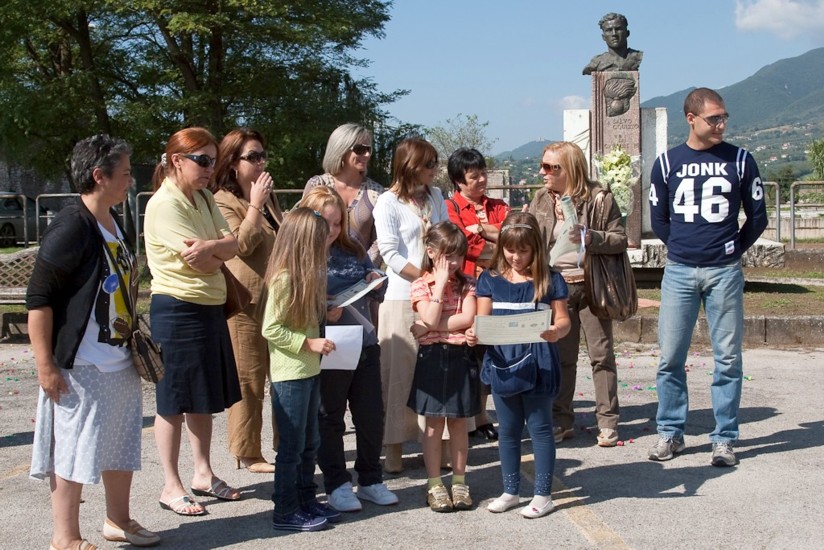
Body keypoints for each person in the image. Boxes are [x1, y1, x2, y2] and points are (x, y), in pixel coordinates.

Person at [28, 135, 160, 549]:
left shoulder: (112, 220)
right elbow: (39, 300)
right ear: (99, 176)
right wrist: (45, 364)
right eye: (124, 174)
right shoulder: (71, 227)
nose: (130, 182)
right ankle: (65, 537)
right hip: (81, 364)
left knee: (120, 444)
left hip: (118, 357)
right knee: (73, 450)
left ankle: (118, 520)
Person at [648, 87, 768, 466]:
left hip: (725, 272)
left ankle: (724, 439)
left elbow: (758, 216)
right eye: (713, 118)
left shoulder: (741, 159)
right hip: (680, 271)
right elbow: (659, 220)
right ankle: (670, 432)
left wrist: (730, 248)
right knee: (670, 357)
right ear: (691, 119)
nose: (721, 124)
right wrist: (685, 249)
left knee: (728, 359)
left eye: (723, 117)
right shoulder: (667, 164)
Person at [144, 127, 242, 516]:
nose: (209, 168)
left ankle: (203, 473)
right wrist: (219, 251)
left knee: (202, 396)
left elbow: (232, 244)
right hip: (177, 309)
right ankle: (171, 485)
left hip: (208, 307)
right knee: (173, 401)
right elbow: (198, 261)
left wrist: (215, 249)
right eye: (201, 160)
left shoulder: (202, 196)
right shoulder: (164, 204)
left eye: (213, 160)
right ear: (176, 160)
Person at [299, 187, 398, 513]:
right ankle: (337, 484)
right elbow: (288, 305)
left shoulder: (353, 248)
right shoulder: (300, 256)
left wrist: (375, 279)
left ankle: (370, 479)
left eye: (338, 223)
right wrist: (320, 311)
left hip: (364, 342)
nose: (332, 230)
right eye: (325, 223)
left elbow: (373, 284)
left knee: (371, 416)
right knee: (330, 418)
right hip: (328, 347)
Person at [466, 212, 570, 519]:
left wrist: (556, 331)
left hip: (539, 362)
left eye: (523, 250)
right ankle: (510, 490)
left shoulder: (550, 279)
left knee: (539, 429)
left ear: (536, 248)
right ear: (502, 247)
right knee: (508, 430)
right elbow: (482, 322)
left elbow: (563, 319)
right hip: (502, 362)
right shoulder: (490, 279)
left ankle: (543, 494)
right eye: (510, 250)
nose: (516, 256)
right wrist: (474, 334)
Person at [529, 141, 627, 448]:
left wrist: (592, 236)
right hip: (557, 286)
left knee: (601, 355)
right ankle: (562, 420)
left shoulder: (600, 199)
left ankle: (608, 421)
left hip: (593, 284)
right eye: (542, 165)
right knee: (562, 357)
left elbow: (620, 239)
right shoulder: (540, 199)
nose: (542, 172)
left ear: (569, 169)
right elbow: (530, 236)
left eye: (550, 167)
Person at [262, 207, 342, 532]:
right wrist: (308, 344)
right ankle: (285, 508)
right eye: (321, 240)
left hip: (308, 371)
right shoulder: (284, 279)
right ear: (305, 243)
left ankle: (306, 499)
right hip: (290, 374)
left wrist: (325, 312)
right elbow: (271, 328)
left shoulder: (307, 278)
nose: (326, 245)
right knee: (292, 447)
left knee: (311, 442)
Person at [373, 137, 449, 473]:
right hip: (402, 296)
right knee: (398, 376)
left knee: (436, 373)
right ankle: (393, 450)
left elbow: (447, 236)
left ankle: (438, 447)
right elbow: (390, 254)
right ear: (410, 166)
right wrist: (424, 278)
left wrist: (439, 281)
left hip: (436, 296)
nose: (435, 170)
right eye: (429, 164)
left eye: (435, 163)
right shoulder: (387, 202)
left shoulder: (436, 196)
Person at [211, 128, 284, 474]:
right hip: (246, 301)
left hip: (277, 299)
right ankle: (247, 451)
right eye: (252, 157)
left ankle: (286, 443)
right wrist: (254, 205)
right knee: (249, 378)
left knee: (283, 376)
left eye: (262, 155)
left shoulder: (269, 198)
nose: (260, 163)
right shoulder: (223, 201)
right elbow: (241, 245)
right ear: (232, 162)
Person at [408, 221, 479, 512]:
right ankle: (435, 483)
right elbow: (429, 312)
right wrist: (437, 286)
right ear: (431, 253)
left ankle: (460, 481)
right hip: (432, 359)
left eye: (457, 256)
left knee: (460, 422)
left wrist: (427, 327)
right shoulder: (420, 284)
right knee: (434, 425)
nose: (453, 263)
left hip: (461, 356)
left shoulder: (468, 284)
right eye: (446, 256)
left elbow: (467, 319)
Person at [446, 147, 510, 441]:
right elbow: (465, 245)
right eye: (475, 176)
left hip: (501, 287)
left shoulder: (497, 205)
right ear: (460, 181)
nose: (482, 179)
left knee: (495, 348)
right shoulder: (452, 208)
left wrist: (482, 229)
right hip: (468, 288)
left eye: (484, 173)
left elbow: (516, 235)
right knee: (471, 349)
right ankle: (474, 415)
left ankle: (487, 413)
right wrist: (494, 237)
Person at [304, 123, 385, 265]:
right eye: (359, 149)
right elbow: (303, 229)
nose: (366, 155)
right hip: (317, 272)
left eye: (369, 149)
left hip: (361, 277)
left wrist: (364, 269)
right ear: (341, 149)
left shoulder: (376, 192)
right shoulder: (317, 185)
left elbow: (380, 239)